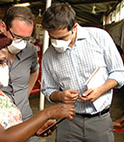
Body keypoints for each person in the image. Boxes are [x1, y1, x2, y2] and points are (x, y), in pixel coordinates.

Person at [41, 2, 124, 142]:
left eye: (61, 38)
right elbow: (48, 90)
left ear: (74, 27)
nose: (56, 43)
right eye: (52, 38)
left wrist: (100, 90)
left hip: (100, 121)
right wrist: (60, 95)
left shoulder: (99, 38)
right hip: (67, 121)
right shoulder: (48, 55)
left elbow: (119, 72)